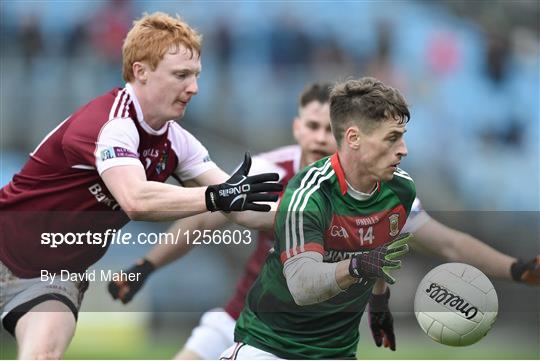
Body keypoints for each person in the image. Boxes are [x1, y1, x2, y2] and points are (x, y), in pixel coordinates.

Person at [111, 81, 540, 359]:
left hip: (329, 346)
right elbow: (208, 218)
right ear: (300, 129)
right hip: (258, 330)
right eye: (313, 127)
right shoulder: (278, 176)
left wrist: (514, 269)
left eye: (326, 128)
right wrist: (146, 265)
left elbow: (440, 242)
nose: (320, 137)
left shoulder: (392, 188)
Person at [0, 12, 282, 360]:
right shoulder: (111, 124)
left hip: (52, 278)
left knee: (41, 356)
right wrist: (215, 197)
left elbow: (244, 207)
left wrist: (325, 221)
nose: (193, 87)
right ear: (140, 71)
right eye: (181, 75)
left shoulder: (178, 143)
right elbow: (135, 199)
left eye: (195, 76)